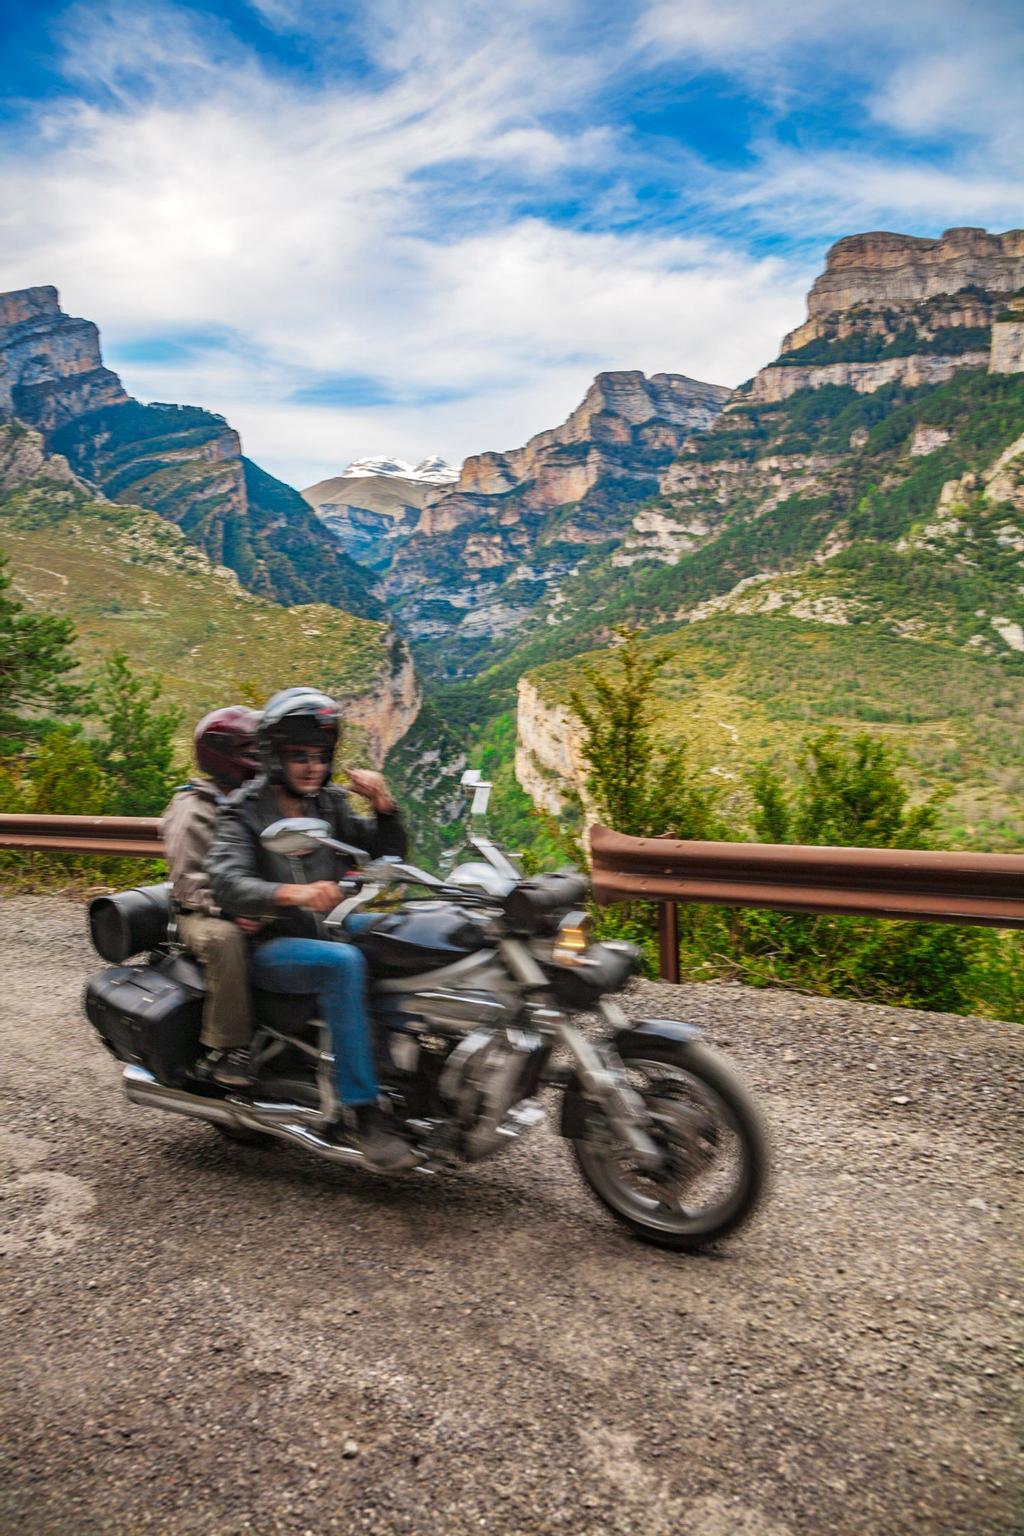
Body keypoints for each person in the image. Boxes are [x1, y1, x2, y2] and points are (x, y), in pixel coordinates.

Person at [207, 687, 411, 1170]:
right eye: (299, 756)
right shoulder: (243, 810)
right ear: (275, 756)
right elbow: (226, 882)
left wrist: (384, 805)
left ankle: (402, 1062)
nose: (312, 767)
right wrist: (294, 894)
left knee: (401, 932)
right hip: (271, 943)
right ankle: (362, 1109)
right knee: (344, 963)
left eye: (320, 756)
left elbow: (387, 852)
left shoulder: (327, 805)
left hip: (327, 925)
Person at [161, 705, 262, 1088]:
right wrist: (231, 910)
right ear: (222, 754)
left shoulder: (251, 800)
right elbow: (189, 883)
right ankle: (228, 1048)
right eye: (249, 750)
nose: (258, 758)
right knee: (226, 941)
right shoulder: (193, 809)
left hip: (251, 900)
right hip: (201, 913)